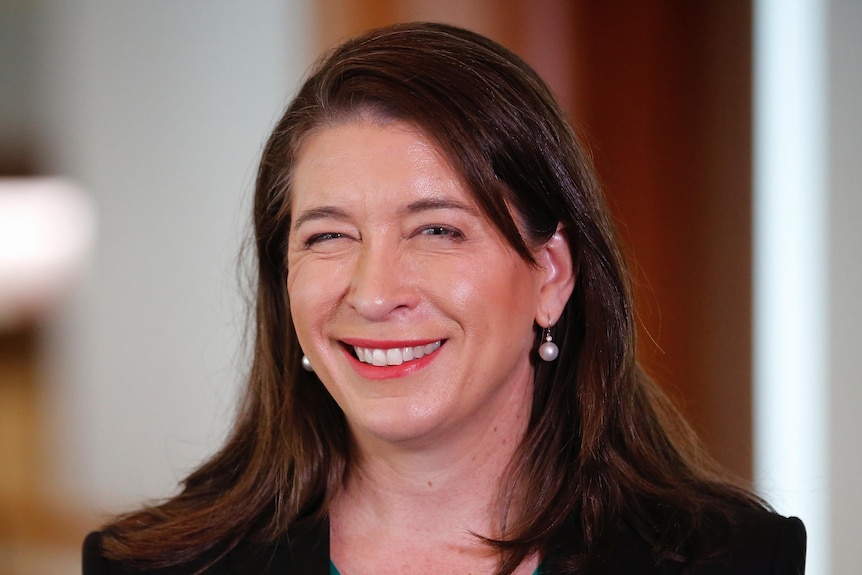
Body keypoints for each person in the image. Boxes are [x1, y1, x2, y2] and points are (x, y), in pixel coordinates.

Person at [82, 22, 806, 575]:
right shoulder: (151, 566)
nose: (374, 292)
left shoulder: (731, 559)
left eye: (436, 229)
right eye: (328, 236)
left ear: (550, 274)